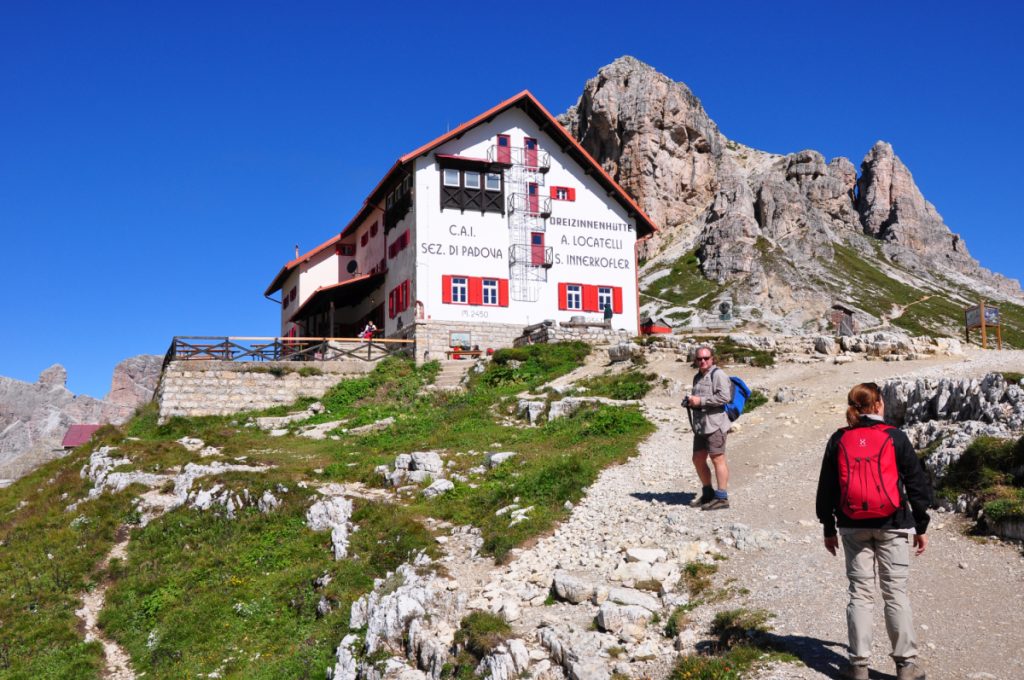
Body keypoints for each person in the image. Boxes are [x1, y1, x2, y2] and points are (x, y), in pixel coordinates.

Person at [816, 382, 932, 680]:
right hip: (893, 524)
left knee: (860, 594)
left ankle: (858, 666)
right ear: (879, 404)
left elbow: (827, 488)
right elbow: (917, 484)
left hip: (852, 525)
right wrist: (921, 525)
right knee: (895, 594)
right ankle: (906, 665)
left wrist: (828, 526)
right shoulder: (895, 437)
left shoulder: (839, 439)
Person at [684, 346, 733, 510]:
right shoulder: (697, 377)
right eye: (699, 359)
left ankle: (722, 497)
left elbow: (725, 397)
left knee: (717, 458)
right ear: (695, 360)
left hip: (715, 424)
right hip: (701, 425)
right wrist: (691, 402)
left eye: (706, 358)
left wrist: (701, 401)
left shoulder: (718, 374)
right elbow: (699, 398)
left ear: (712, 358)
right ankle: (708, 493)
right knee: (697, 458)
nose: (703, 361)